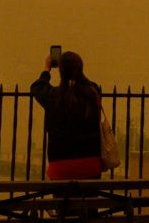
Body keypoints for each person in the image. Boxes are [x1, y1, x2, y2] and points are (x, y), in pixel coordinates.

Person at [30, 49, 103, 180]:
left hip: (60, 167)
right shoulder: (92, 94)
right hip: (90, 165)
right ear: (81, 69)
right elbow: (93, 86)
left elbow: (37, 87)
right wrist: (77, 73)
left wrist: (47, 69)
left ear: (60, 71)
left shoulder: (54, 96)